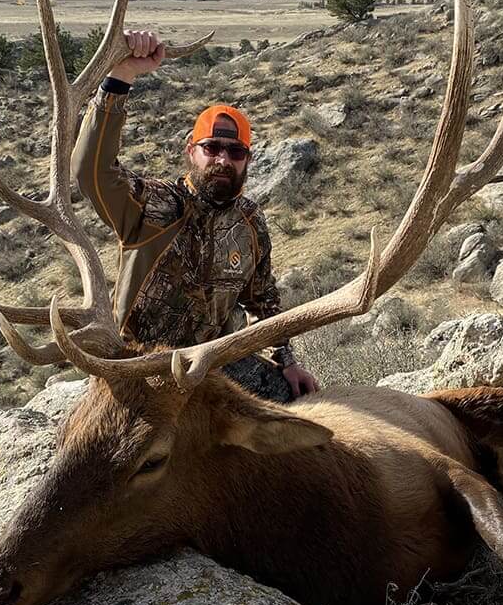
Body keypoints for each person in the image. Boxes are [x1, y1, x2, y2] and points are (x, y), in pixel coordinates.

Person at [71, 28, 321, 400]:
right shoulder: (152, 206)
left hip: (208, 370)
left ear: (247, 160)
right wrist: (122, 75)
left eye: (235, 152)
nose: (223, 159)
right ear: (191, 150)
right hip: (141, 370)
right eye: (212, 147)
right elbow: (91, 168)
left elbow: (263, 303)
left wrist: (286, 362)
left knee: (297, 407)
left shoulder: (250, 223)